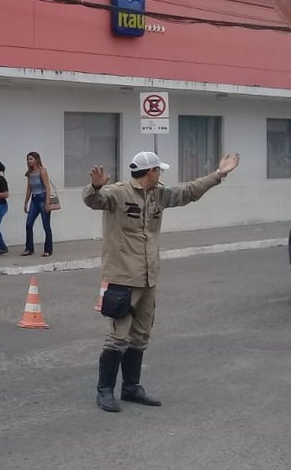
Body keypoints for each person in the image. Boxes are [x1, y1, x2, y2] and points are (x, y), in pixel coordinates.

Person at [84, 151, 240, 413]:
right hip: (123, 278)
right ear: (150, 172)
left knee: (141, 335)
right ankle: (105, 391)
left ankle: (131, 387)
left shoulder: (159, 194)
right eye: (159, 170)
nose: (161, 175)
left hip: (148, 278)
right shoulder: (118, 193)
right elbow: (94, 199)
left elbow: (189, 191)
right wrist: (96, 185)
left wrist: (219, 174)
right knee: (118, 337)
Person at [23, 151, 54, 257]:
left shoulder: (42, 171)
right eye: (28, 159)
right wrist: (26, 202)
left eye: (31, 159)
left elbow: (47, 187)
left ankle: (48, 250)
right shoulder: (30, 173)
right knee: (28, 224)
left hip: (42, 197)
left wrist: (47, 202)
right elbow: (29, 189)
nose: (29, 161)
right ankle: (29, 248)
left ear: (36, 159)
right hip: (34, 199)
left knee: (46, 225)